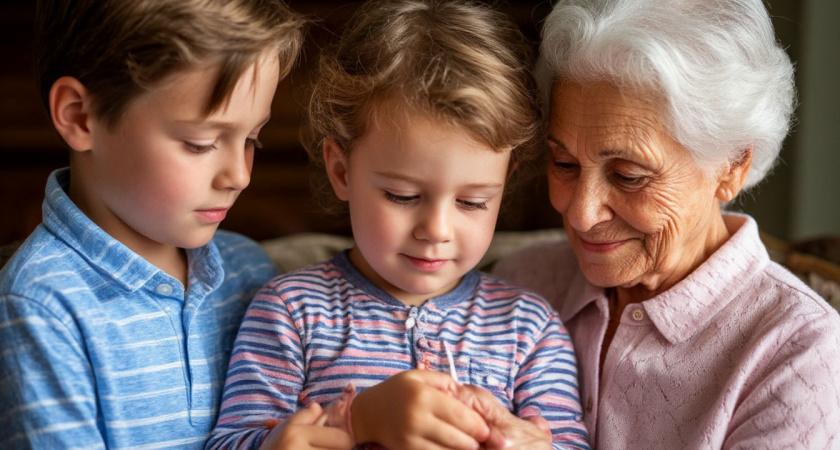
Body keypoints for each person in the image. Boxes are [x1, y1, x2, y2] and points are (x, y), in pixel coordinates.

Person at [206, 0, 589, 449]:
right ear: (342, 171)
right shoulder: (291, 311)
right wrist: (357, 422)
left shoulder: (529, 328)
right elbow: (232, 442)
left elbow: (566, 442)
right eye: (403, 196)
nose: (437, 229)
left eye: (472, 201)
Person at [492, 0, 840, 447]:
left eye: (627, 176)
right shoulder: (520, 283)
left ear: (732, 165)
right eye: (563, 163)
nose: (580, 213)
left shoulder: (799, 353)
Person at [0, 0, 305, 448]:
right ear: (80, 116)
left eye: (252, 139)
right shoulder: (41, 305)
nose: (239, 175)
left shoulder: (252, 273)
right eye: (200, 143)